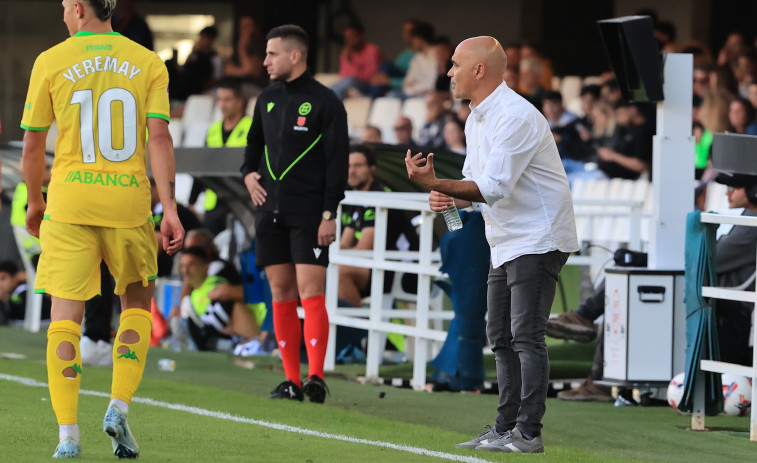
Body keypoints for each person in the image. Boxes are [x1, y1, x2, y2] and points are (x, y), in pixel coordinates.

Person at [19, 1, 184, 458]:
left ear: (77, 7)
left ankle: (67, 436)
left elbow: (33, 145)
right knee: (135, 306)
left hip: (70, 203)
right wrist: (168, 207)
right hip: (129, 204)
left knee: (64, 320)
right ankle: (118, 405)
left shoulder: (51, 60)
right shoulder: (147, 61)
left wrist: (35, 201)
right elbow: (159, 139)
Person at [406, 36, 577, 454]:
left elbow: (494, 187)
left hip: (539, 237)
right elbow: (474, 188)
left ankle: (528, 433)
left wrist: (437, 183)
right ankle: (505, 428)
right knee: (499, 334)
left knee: (525, 335)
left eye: (455, 64)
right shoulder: (476, 117)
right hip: (507, 239)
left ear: (478, 70)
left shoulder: (515, 115)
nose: (449, 72)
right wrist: (445, 195)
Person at [241, 25, 349, 404]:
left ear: (294, 56)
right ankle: (290, 380)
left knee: (310, 293)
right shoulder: (266, 98)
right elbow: (253, 145)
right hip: (269, 213)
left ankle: (316, 377)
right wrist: (247, 174)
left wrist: (328, 212)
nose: (265, 61)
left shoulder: (326, 102)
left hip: (309, 213)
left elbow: (338, 161)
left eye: (272, 54)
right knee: (280, 293)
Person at [339, 144, 419, 307]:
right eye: (347, 166)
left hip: (403, 271)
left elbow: (363, 250)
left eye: (358, 165)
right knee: (322, 268)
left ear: (372, 168)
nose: (351, 171)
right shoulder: (353, 199)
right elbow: (344, 244)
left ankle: (355, 329)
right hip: (376, 266)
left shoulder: (380, 197)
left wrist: (333, 256)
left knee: (339, 271)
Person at [189, 80, 252, 235]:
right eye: (220, 100)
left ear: (240, 101)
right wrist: (192, 201)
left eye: (227, 100)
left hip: (242, 202)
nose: (222, 105)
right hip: (214, 201)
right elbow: (203, 166)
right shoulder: (213, 129)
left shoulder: (251, 126)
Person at [178, 246, 259, 352]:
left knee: (234, 306)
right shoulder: (194, 295)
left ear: (205, 267)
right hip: (222, 336)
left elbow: (225, 318)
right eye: (182, 266)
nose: (185, 271)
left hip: (252, 328)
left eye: (191, 265)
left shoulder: (216, 284)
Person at [330, 23, 384, 99]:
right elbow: (343, 76)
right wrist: (349, 60)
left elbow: (371, 76)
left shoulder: (372, 50)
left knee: (349, 81)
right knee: (330, 89)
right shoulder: (346, 53)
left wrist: (353, 64)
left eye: (352, 36)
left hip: (370, 86)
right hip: (352, 85)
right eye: (347, 38)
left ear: (362, 35)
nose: (349, 40)